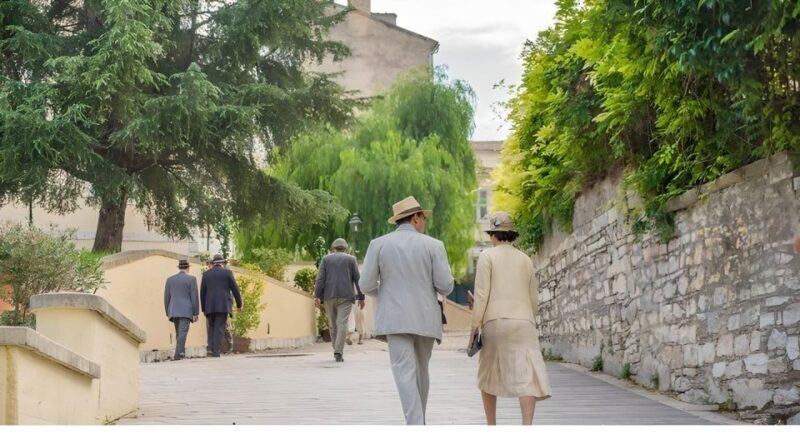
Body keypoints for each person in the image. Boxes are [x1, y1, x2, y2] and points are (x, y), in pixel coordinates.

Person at [359, 196, 454, 425]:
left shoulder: (378, 244)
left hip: (394, 318)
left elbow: (366, 286)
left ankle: (415, 424)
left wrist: (387, 292)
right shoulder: (434, 245)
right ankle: (418, 423)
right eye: (423, 218)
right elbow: (446, 286)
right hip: (425, 318)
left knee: (404, 371)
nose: (425, 223)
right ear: (416, 217)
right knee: (422, 370)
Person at [470, 212, 551, 425]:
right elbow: (533, 297)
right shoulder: (525, 259)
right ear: (511, 234)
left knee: (487, 374)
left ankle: (492, 426)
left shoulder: (488, 256)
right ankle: (526, 427)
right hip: (524, 321)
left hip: (495, 322)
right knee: (528, 376)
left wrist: (475, 325)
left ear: (493, 235)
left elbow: (481, 295)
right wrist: (529, 320)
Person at [314, 238, 365, 362]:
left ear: (333, 247)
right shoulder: (351, 259)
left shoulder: (326, 259)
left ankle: (336, 349)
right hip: (346, 297)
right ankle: (338, 351)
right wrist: (361, 297)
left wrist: (317, 296)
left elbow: (320, 279)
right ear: (345, 248)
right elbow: (358, 279)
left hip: (328, 296)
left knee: (333, 324)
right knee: (342, 323)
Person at [201, 254, 242, 357]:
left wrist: (203, 308)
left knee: (211, 328)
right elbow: (235, 289)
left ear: (214, 264)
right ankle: (215, 351)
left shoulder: (206, 274)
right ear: (222, 263)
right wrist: (239, 304)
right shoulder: (227, 273)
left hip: (209, 307)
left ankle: (210, 349)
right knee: (219, 328)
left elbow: (202, 293)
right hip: (223, 306)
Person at [164, 259, 199, 360]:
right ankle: (178, 354)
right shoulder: (192, 279)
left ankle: (181, 352)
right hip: (186, 310)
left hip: (173, 310)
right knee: (182, 333)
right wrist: (195, 312)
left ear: (179, 268)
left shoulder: (170, 279)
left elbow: (166, 297)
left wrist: (168, 311)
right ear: (188, 268)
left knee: (179, 333)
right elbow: (194, 297)